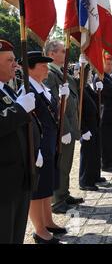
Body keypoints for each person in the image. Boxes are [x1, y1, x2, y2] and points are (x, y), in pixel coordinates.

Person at [23, 50, 67, 244]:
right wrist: (36, 149)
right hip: (38, 147)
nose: (47, 68)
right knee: (37, 189)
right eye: (42, 65)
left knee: (47, 185)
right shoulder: (27, 91)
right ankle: (39, 230)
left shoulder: (41, 87)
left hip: (49, 146)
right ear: (31, 68)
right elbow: (30, 124)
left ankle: (48, 221)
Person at [0, 40, 37, 244]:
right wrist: (19, 109)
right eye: (10, 60)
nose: (16, 64)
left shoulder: (8, 89)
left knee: (16, 234)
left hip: (18, 178)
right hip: (3, 183)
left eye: (15, 60)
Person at [44, 40, 84, 214]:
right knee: (60, 163)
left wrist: (84, 67)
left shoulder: (61, 71)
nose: (65, 54)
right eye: (62, 51)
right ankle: (57, 200)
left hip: (69, 125)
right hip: (62, 128)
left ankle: (64, 193)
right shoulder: (49, 73)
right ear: (51, 54)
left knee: (66, 163)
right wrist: (65, 129)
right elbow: (55, 104)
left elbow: (76, 87)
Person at [78, 58, 103, 191]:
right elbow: (78, 110)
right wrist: (83, 129)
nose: (88, 74)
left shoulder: (87, 86)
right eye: (86, 72)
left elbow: (95, 101)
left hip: (94, 123)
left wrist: (98, 91)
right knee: (87, 154)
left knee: (95, 152)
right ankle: (85, 181)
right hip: (87, 126)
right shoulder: (79, 86)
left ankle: (94, 176)